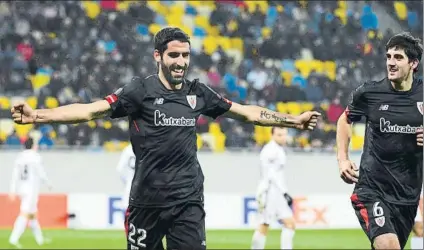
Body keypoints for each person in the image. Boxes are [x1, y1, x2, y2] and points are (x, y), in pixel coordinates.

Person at [10, 27, 320, 250]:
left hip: (188, 201)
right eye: (174, 55)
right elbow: (91, 111)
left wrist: (293, 121)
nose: (181, 62)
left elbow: (246, 113)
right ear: (158, 56)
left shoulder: (198, 92)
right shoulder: (138, 91)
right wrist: (37, 115)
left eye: (185, 55)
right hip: (145, 202)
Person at [336, 32, 423, 250]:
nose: (391, 63)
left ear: (413, 63)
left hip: (407, 195)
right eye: (388, 57)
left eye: (398, 57)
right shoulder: (369, 93)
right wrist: (343, 159)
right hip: (371, 189)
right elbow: (344, 120)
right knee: (388, 246)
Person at [251, 127, 295, 250]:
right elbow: (271, 174)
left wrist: (283, 193)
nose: (283, 137)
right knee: (264, 225)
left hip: (277, 193)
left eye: (284, 134)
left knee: (290, 224)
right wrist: (285, 192)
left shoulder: (278, 149)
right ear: (272, 135)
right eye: (279, 135)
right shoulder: (270, 150)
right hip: (268, 192)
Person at [8, 137, 52, 248]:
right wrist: (48, 183)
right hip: (31, 189)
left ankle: (40, 240)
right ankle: (13, 239)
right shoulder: (35, 156)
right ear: (33, 145)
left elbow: (15, 175)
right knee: (24, 214)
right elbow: (41, 172)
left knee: (32, 215)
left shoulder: (20, 157)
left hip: (22, 189)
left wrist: (12, 190)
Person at [116, 144, 136, 209]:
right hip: (145, 189)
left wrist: (127, 181)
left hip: (130, 187)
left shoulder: (128, 149)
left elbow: (120, 169)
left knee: (128, 214)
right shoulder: (148, 147)